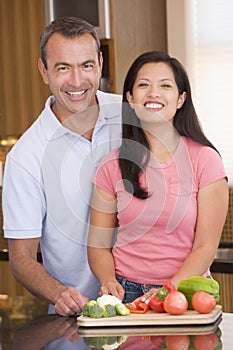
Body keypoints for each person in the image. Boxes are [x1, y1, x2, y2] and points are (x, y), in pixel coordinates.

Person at [2, 16, 122, 316]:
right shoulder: (26, 157)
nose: (77, 81)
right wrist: (60, 294)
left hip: (153, 307)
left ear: (100, 63)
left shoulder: (131, 117)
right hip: (80, 318)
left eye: (86, 65)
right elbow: (22, 258)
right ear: (44, 71)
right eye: (63, 68)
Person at [87, 51, 228, 304]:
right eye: (143, 85)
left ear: (181, 98)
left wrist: (168, 289)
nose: (154, 93)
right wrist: (108, 281)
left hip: (188, 292)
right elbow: (98, 245)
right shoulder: (111, 166)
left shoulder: (205, 160)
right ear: (130, 98)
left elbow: (206, 247)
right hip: (127, 293)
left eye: (165, 85)